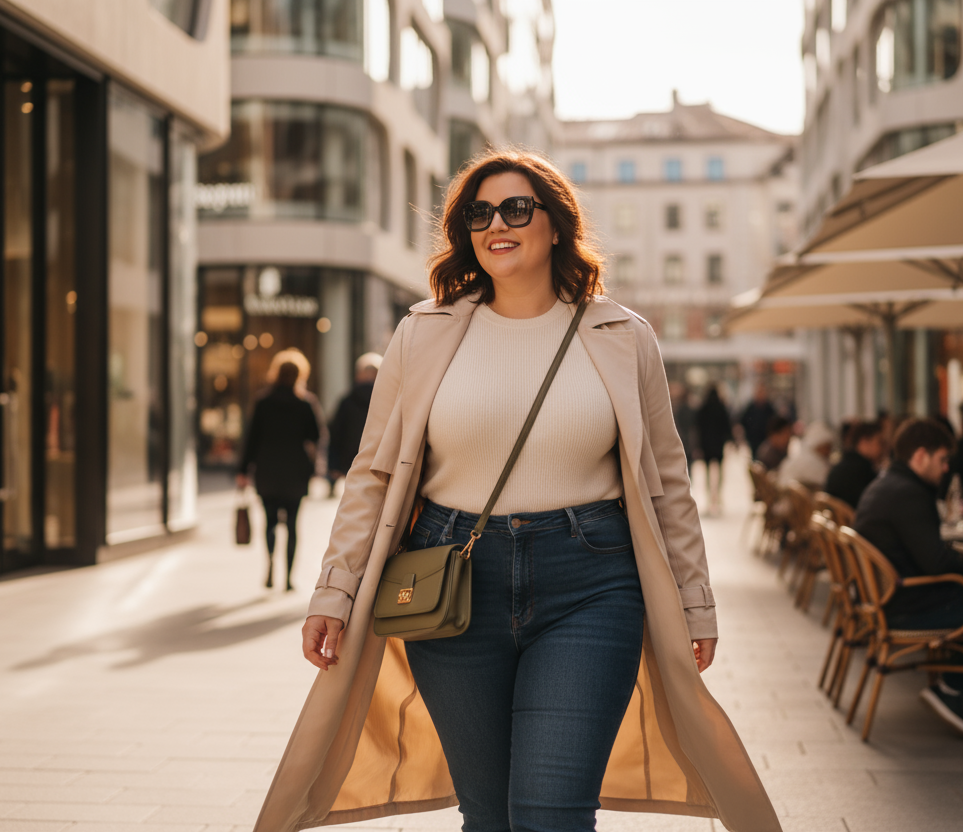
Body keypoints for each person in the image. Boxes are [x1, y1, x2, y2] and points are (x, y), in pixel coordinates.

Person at [255, 149, 780, 832]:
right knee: (489, 815)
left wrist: (695, 602)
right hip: (450, 582)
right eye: (479, 212)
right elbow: (373, 474)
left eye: (516, 208)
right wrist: (335, 590)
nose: (496, 223)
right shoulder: (424, 333)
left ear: (555, 224)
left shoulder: (624, 336)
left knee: (551, 814)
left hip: (591, 582)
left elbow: (668, 484)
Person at [853, 419, 963, 741]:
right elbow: (935, 562)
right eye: (942, 459)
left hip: (889, 600)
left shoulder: (884, 484)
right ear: (920, 456)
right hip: (911, 605)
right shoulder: (909, 494)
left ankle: (954, 684)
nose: (947, 467)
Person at [237, 350, 320, 591]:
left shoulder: (263, 402)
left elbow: (251, 439)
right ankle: (289, 579)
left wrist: (243, 470)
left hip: (267, 471)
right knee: (293, 525)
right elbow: (316, 436)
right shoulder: (306, 403)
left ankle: (271, 566)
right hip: (295, 472)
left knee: (270, 521)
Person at [326, 352, 382, 491]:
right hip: (379, 459)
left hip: (351, 460)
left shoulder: (347, 400)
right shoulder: (388, 401)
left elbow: (336, 433)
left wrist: (333, 464)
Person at [824, 420, 884, 510]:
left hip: (837, 522)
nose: (883, 449)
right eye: (880, 442)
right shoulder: (861, 470)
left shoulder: (844, 463)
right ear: (864, 442)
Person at [695, 384, 732, 515]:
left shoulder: (703, 408)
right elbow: (727, 427)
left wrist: (698, 445)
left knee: (707, 473)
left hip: (706, 445)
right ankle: (718, 495)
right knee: (720, 472)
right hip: (718, 445)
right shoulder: (721, 408)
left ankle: (710, 496)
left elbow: (697, 427)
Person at [778, 421, 834, 488]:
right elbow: (827, 482)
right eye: (827, 447)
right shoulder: (814, 462)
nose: (828, 452)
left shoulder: (801, 454)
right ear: (818, 445)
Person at [739, 384, 776, 455]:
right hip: (753, 439)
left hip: (765, 439)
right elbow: (744, 420)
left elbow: (774, 422)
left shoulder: (769, 408)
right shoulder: (750, 408)